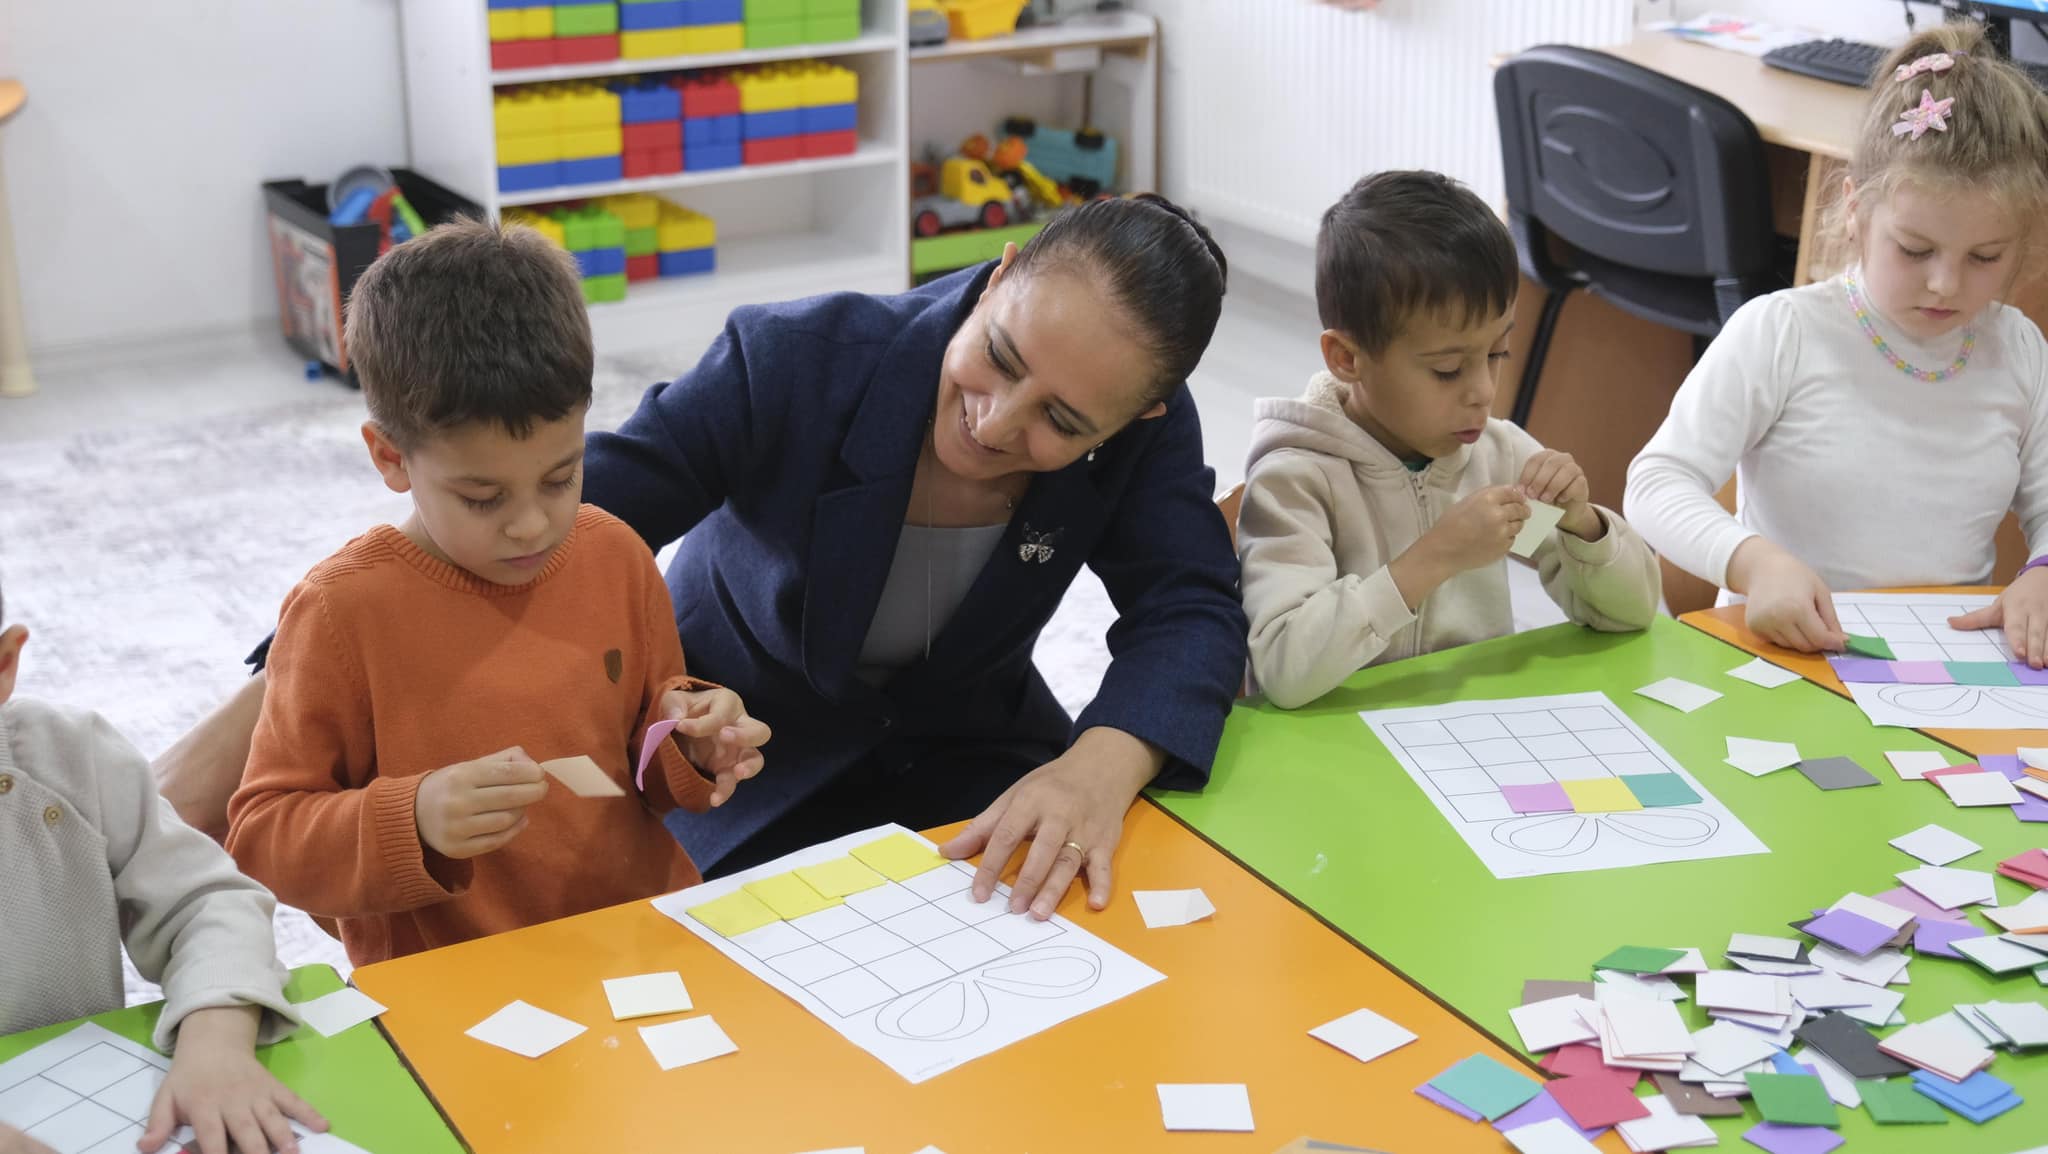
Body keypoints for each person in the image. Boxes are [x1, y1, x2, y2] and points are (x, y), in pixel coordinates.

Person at [165, 193, 1242, 924]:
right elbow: (558, 498)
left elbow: (1190, 603)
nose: (997, 421)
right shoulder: (798, 357)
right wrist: (276, 683)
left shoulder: (1148, 429)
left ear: (1137, 414)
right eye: (996, 357)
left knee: (1102, 930)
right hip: (733, 757)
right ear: (996, 273)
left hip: (964, 747)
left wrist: (1100, 761)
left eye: (1060, 418)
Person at [222, 221, 768, 966]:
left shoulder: (614, 552)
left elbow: (641, 755)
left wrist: (691, 738)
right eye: (482, 498)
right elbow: (262, 835)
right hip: (454, 980)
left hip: (637, 942)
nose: (532, 525)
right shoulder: (341, 613)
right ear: (390, 457)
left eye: (561, 476)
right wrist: (411, 817)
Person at [1625, 23, 2048, 659]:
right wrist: (1753, 565)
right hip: (1780, 653)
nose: (1945, 283)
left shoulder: (2015, 347)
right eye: (1914, 249)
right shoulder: (1783, 332)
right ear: (1854, 209)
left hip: (1941, 660)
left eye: (1985, 257)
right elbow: (1655, 484)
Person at [1237, 170, 1659, 708]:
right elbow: (1285, 670)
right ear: (1348, 359)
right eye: (1447, 369)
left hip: (1466, 749)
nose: (1483, 391)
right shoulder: (1299, 477)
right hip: (1335, 755)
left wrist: (1585, 527)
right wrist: (1433, 558)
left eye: (1497, 354)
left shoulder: (1496, 460)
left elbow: (1631, 613)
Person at [0, 575, 327, 1154]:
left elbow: (207, 903)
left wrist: (216, 1037)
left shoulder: (65, 759)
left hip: (80, 1099)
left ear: (4, 666)